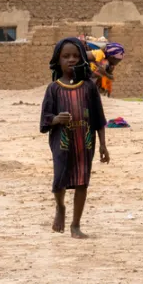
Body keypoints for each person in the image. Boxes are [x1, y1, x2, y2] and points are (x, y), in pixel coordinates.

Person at [40, 37, 111, 238]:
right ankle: (60, 207)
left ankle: (76, 225)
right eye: (66, 56)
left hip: (85, 142)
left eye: (75, 56)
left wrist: (103, 146)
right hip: (62, 143)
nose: (71, 59)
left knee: (82, 181)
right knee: (59, 180)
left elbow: (98, 118)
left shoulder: (89, 88)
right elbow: (45, 119)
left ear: (82, 59)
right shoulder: (53, 89)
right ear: (58, 60)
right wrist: (56, 119)